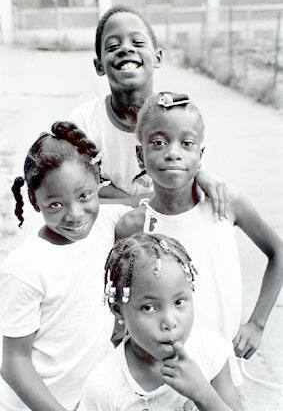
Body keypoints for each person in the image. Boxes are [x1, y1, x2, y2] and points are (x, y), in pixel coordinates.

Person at [115, 92, 283, 383]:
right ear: (140, 154)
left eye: (187, 143)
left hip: (223, 373)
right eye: (158, 143)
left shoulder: (224, 206)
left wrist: (256, 323)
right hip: (162, 378)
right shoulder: (133, 226)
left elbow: (278, 252)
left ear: (201, 156)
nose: (173, 152)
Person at [0, 122, 131, 411]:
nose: (74, 215)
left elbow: (163, 204)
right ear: (35, 202)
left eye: (84, 196)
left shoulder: (107, 224)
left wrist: (204, 178)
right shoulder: (25, 267)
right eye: (56, 205)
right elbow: (13, 364)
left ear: (98, 182)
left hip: (84, 402)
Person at [69, 5, 229, 219]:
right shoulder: (83, 120)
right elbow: (76, 198)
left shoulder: (177, 115)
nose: (125, 49)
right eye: (113, 46)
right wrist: (149, 202)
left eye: (137, 42)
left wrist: (201, 175)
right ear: (99, 66)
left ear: (158, 57)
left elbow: (189, 187)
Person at [78, 232, 243, 411]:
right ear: (118, 311)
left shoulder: (210, 351)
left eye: (178, 302)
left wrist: (203, 394)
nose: (169, 322)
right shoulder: (104, 386)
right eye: (148, 308)